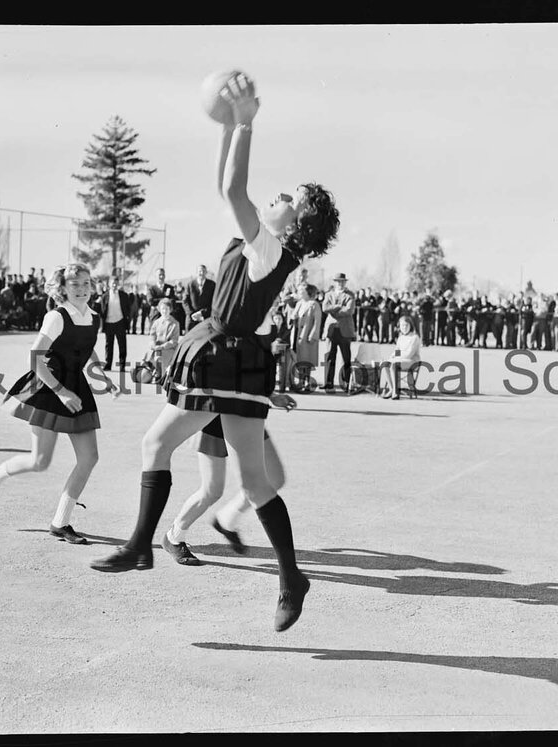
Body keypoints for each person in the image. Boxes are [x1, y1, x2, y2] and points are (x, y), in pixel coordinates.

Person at [89, 73, 340, 632]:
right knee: (251, 482)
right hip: (233, 361)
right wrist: (228, 128)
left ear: (294, 221)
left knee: (162, 445)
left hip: (225, 360)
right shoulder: (265, 246)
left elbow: (232, 190)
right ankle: (289, 577)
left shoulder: (269, 245)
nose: (274, 198)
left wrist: (246, 123)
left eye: (286, 200)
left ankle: (141, 546)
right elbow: (222, 184)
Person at [0, 263, 120, 544]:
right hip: (48, 386)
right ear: (63, 289)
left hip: (76, 387)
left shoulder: (93, 317)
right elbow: (36, 357)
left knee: (89, 458)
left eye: (85, 283)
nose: (81, 289)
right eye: (74, 284)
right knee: (40, 461)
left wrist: (101, 376)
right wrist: (61, 391)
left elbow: (85, 346)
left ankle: (61, 522)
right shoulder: (56, 317)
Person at [161, 392, 297, 565]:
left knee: (275, 478)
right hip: (213, 413)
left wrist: (270, 394)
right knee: (211, 490)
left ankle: (226, 519)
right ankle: (173, 537)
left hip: (247, 410)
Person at [321, 273, 355, 392]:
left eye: (342, 281)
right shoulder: (328, 294)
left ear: (345, 282)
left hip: (345, 330)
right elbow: (324, 308)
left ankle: (345, 383)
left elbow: (349, 311)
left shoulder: (350, 295)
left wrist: (333, 311)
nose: (340, 284)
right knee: (330, 356)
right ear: (334, 282)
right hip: (331, 330)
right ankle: (329, 383)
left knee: (346, 358)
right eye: (338, 281)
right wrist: (338, 306)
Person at [379, 315, 421, 400]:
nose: (404, 327)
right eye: (402, 325)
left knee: (394, 365)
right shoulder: (401, 337)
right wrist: (391, 357)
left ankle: (395, 392)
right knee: (385, 364)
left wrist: (396, 358)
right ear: (399, 327)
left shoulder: (414, 337)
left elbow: (409, 354)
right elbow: (397, 350)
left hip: (412, 361)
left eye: (406, 325)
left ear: (410, 326)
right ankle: (391, 389)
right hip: (400, 360)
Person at [98, 273, 132, 371]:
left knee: (122, 345)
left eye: (116, 283)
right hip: (109, 323)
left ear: (118, 284)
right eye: (112, 283)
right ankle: (108, 364)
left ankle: (122, 365)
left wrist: (127, 320)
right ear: (109, 284)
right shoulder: (105, 296)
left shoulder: (123, 295)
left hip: (120, 322)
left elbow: (127, 309)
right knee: (109, 345)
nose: (114, 285)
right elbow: (102, 311)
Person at [148, 298, 181, 383]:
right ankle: (156, 373)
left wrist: (162, 347)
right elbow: (152, 335)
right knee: (150, 356)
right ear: (159, 309)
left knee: (163, 356)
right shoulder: (156, 322)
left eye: (166, 309)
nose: (164, 311)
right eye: (162, 309)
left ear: (170, 310)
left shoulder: (175, 323)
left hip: (169, 348)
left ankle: (163, 375)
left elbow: (174, 341)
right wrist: (153, 344)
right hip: (156, 348)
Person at [291, 282, 322, 370]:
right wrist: (293, 317)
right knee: (299, 359)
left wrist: (313, 335)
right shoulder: (299, 304)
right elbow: (293, 316)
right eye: (298, 290)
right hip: (297, 336)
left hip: (307, 335)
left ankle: (306, 380)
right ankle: (300, 381)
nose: (299, 292)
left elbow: (317, 322)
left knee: (307, 359)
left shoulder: (314, 305)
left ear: (307, 292)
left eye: (301, 290)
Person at [183, 264, 216, 332]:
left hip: (206, 316)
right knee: (189, 336)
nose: (201, 273)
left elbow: (214, 301)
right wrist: (192, 313)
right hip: (191, 316)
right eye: (199, 271)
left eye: (203, 271)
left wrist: (202, 313)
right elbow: (185, 301)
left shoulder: (212, 285)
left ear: (206, 272)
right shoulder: (190, 284)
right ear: (196, 272)